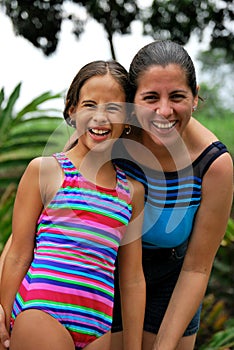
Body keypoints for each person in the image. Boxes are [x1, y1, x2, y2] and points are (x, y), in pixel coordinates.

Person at [0, 60, 145, 350]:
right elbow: (18, 252)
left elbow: (132, 278)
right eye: (90, 105)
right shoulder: (46, 170)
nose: (100, 117)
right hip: (41, 313)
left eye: (114, 108)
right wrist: (3, 325)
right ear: (72, 109)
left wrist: (133, 346)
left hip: (98, 327)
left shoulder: (132, 191)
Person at [110, 40, 233, 350]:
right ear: (131, 100)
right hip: (103, 268)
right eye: (150, 97)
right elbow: (44, 216)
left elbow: (197, 267)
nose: (164, 110)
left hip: (172, 280)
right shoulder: (107, 135)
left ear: (194, 97)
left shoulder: (213, 164)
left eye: (177, 96)